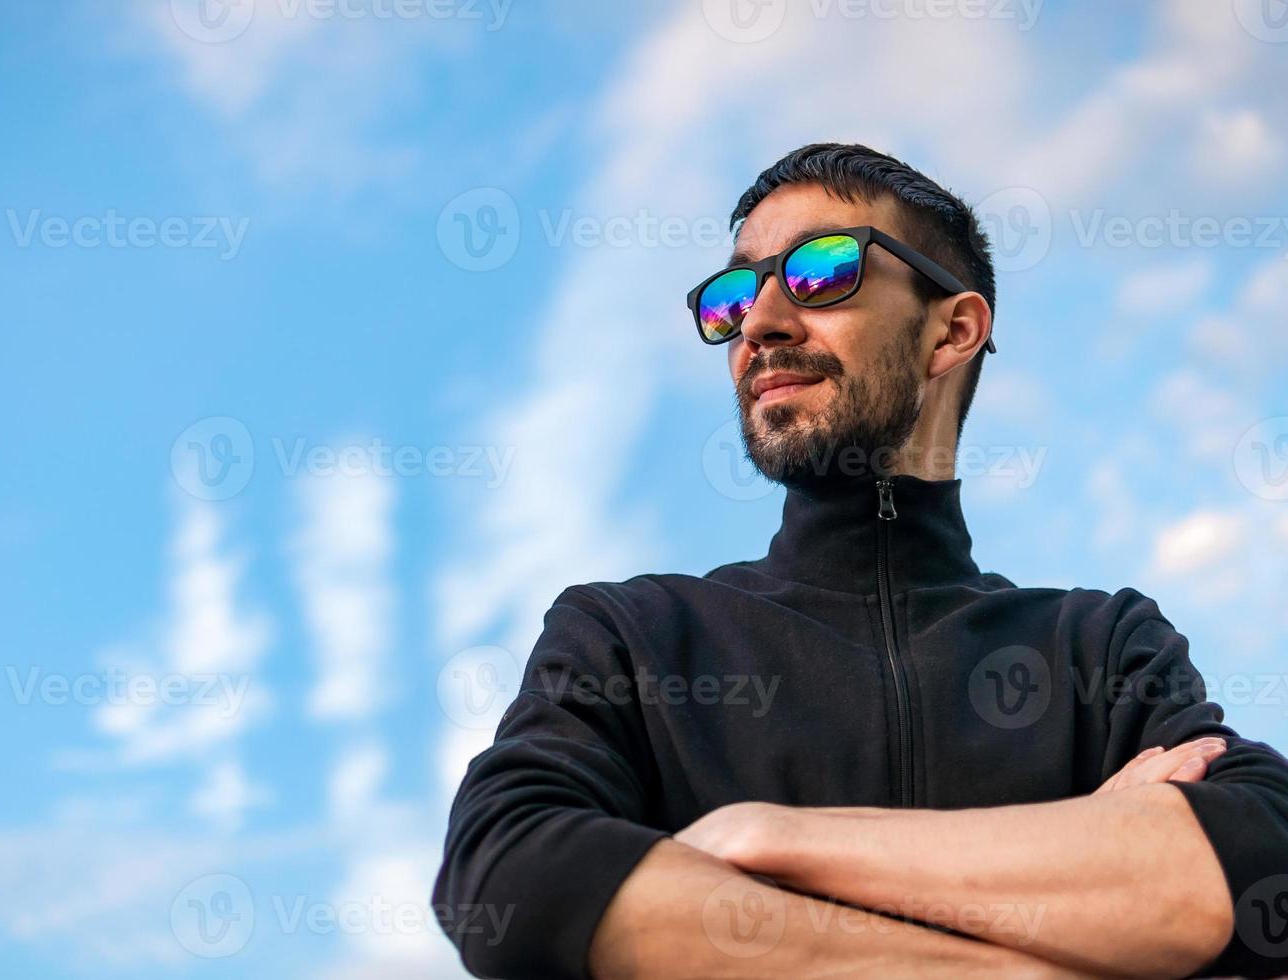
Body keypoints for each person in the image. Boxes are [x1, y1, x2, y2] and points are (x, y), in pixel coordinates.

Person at [432, 143, 1288, 979]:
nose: (759, 325)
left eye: (818, 272)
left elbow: (1261, 865)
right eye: (735, 296)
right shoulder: (634, 635)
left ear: (953, 329)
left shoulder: (1097, 645)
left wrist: (765, 840)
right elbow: (515, 876)